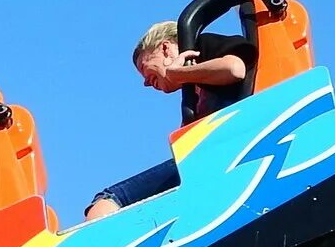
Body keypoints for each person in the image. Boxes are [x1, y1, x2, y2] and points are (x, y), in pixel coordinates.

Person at [83, 21, 250, 218]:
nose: (145, 82)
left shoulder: (201, 49)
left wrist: (176, 73)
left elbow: (235, 69)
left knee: (110, 198)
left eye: (144, 67)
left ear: (165, 48)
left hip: (227, 143)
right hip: (211, 155)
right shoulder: (193, 94)